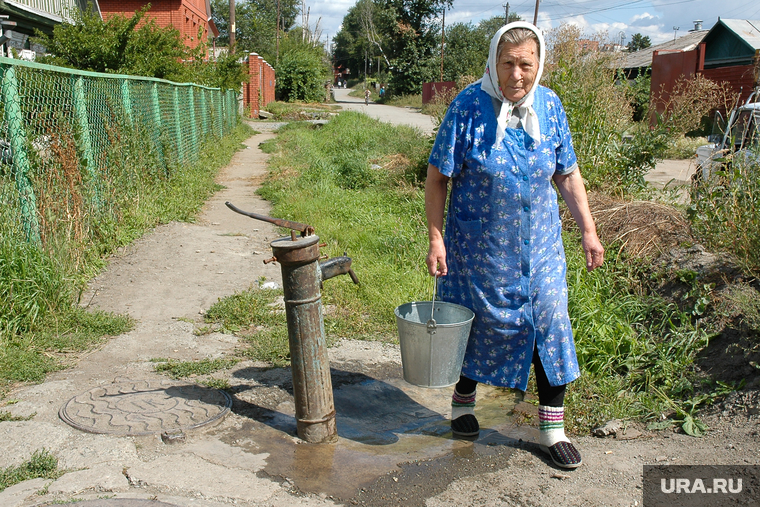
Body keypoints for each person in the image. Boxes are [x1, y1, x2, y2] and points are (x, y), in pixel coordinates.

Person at [425, 21, 604, 470]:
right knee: (477, 322)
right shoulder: (468, 106)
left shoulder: (551, 105)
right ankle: (463, 398)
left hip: (540, 248)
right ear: (493, 63)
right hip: (477, 248)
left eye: (527, 64)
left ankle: (552, 428)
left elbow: (566, 172)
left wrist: (588, 228)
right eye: (508, 63)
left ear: (539, 64)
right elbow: (437, 177)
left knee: (550, 323)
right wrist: (436, 237)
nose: (517, 74)